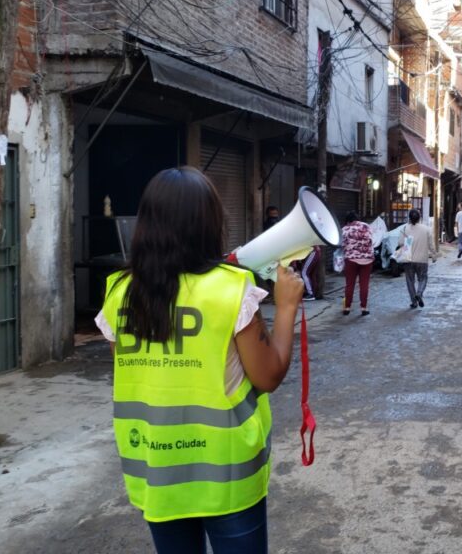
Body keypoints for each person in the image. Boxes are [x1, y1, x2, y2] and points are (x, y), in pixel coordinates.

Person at [96, 167, 305, 554]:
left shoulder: (118, 292)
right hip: (226, 472)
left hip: (156, 468)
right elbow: (268, 376)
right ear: (209, 224)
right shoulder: (230, 289)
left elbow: (138, 375)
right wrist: (287, 307)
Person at [399, 209, 436, 309]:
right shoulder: (427, 229)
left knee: (410, 281)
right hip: (422, 260)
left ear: (409, 218)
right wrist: (434, 255)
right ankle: (419, 293)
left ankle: (414, 302)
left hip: (408, 259)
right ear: (420, 218)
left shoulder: (404, 228)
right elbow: (431, 245)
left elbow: (400, 243)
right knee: (423, 278)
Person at [341, 211, 374, 316]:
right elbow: (371, 241)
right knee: (364, 284)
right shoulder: (367, 226)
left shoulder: (345, 229)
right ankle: (364, 308)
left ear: (348, 221)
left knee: (349, 284)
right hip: (367, 259)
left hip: (351, 259)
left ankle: (347, 307)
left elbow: (342, 245)